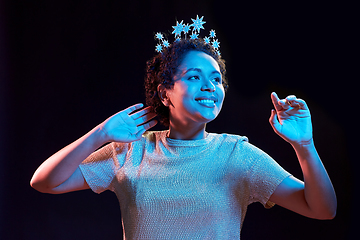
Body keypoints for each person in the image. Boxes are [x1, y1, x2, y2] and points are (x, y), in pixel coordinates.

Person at [30, 19, 336, 239]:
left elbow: (322, 209)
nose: (210, 87)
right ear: (165, 93)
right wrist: (100, 133)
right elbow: (44, 181)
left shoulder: (237, 154)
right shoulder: (131, 151)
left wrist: (305, 145)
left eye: (216, 79)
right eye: (193, 77)